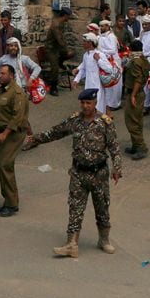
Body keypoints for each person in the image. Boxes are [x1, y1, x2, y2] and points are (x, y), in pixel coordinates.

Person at [26, 87, 123, 258]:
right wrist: (35, 138)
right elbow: (55, 132)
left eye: (89, 103)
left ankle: (104, 240)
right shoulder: (74, 120)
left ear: (95, 103)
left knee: (102, 207)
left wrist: (117, 168)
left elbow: (114, 147)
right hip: (78, 173)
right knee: (75, 208)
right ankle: (72, 244)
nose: (85, 106)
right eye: (83, 103)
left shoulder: (105, 122)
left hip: (99, 174)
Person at [0, 63, 29, 217]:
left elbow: (17, 117)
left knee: (5, 165)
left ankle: (12, 204)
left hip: (12, 134)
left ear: (11, 75)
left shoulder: (17, 93)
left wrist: (5, 133)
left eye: (3, 73)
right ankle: (8, 201)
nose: (0, 75)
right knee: (2, 165)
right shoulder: (2, 90)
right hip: (2, 133)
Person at [121, 40, 150, 159]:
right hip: (139, 93)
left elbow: (138, 79)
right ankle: (135, 145)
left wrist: (133, 95)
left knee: (132, 121)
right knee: (136, 119)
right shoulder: (143, 60)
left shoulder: (135, 62)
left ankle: (140, 147)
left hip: (135, 93)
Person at [38, 8, 71, 96]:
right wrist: (66, 50)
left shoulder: (62, 23)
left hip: (57, 48)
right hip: (51, 49)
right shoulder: (56, 25)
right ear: (65, 15)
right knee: (55, 68)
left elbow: (62, 37)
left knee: (71, 53)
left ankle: (60, 62)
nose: (69, 18)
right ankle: (53, 87)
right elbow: (59, 40)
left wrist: (66, 50)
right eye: (69, 16)